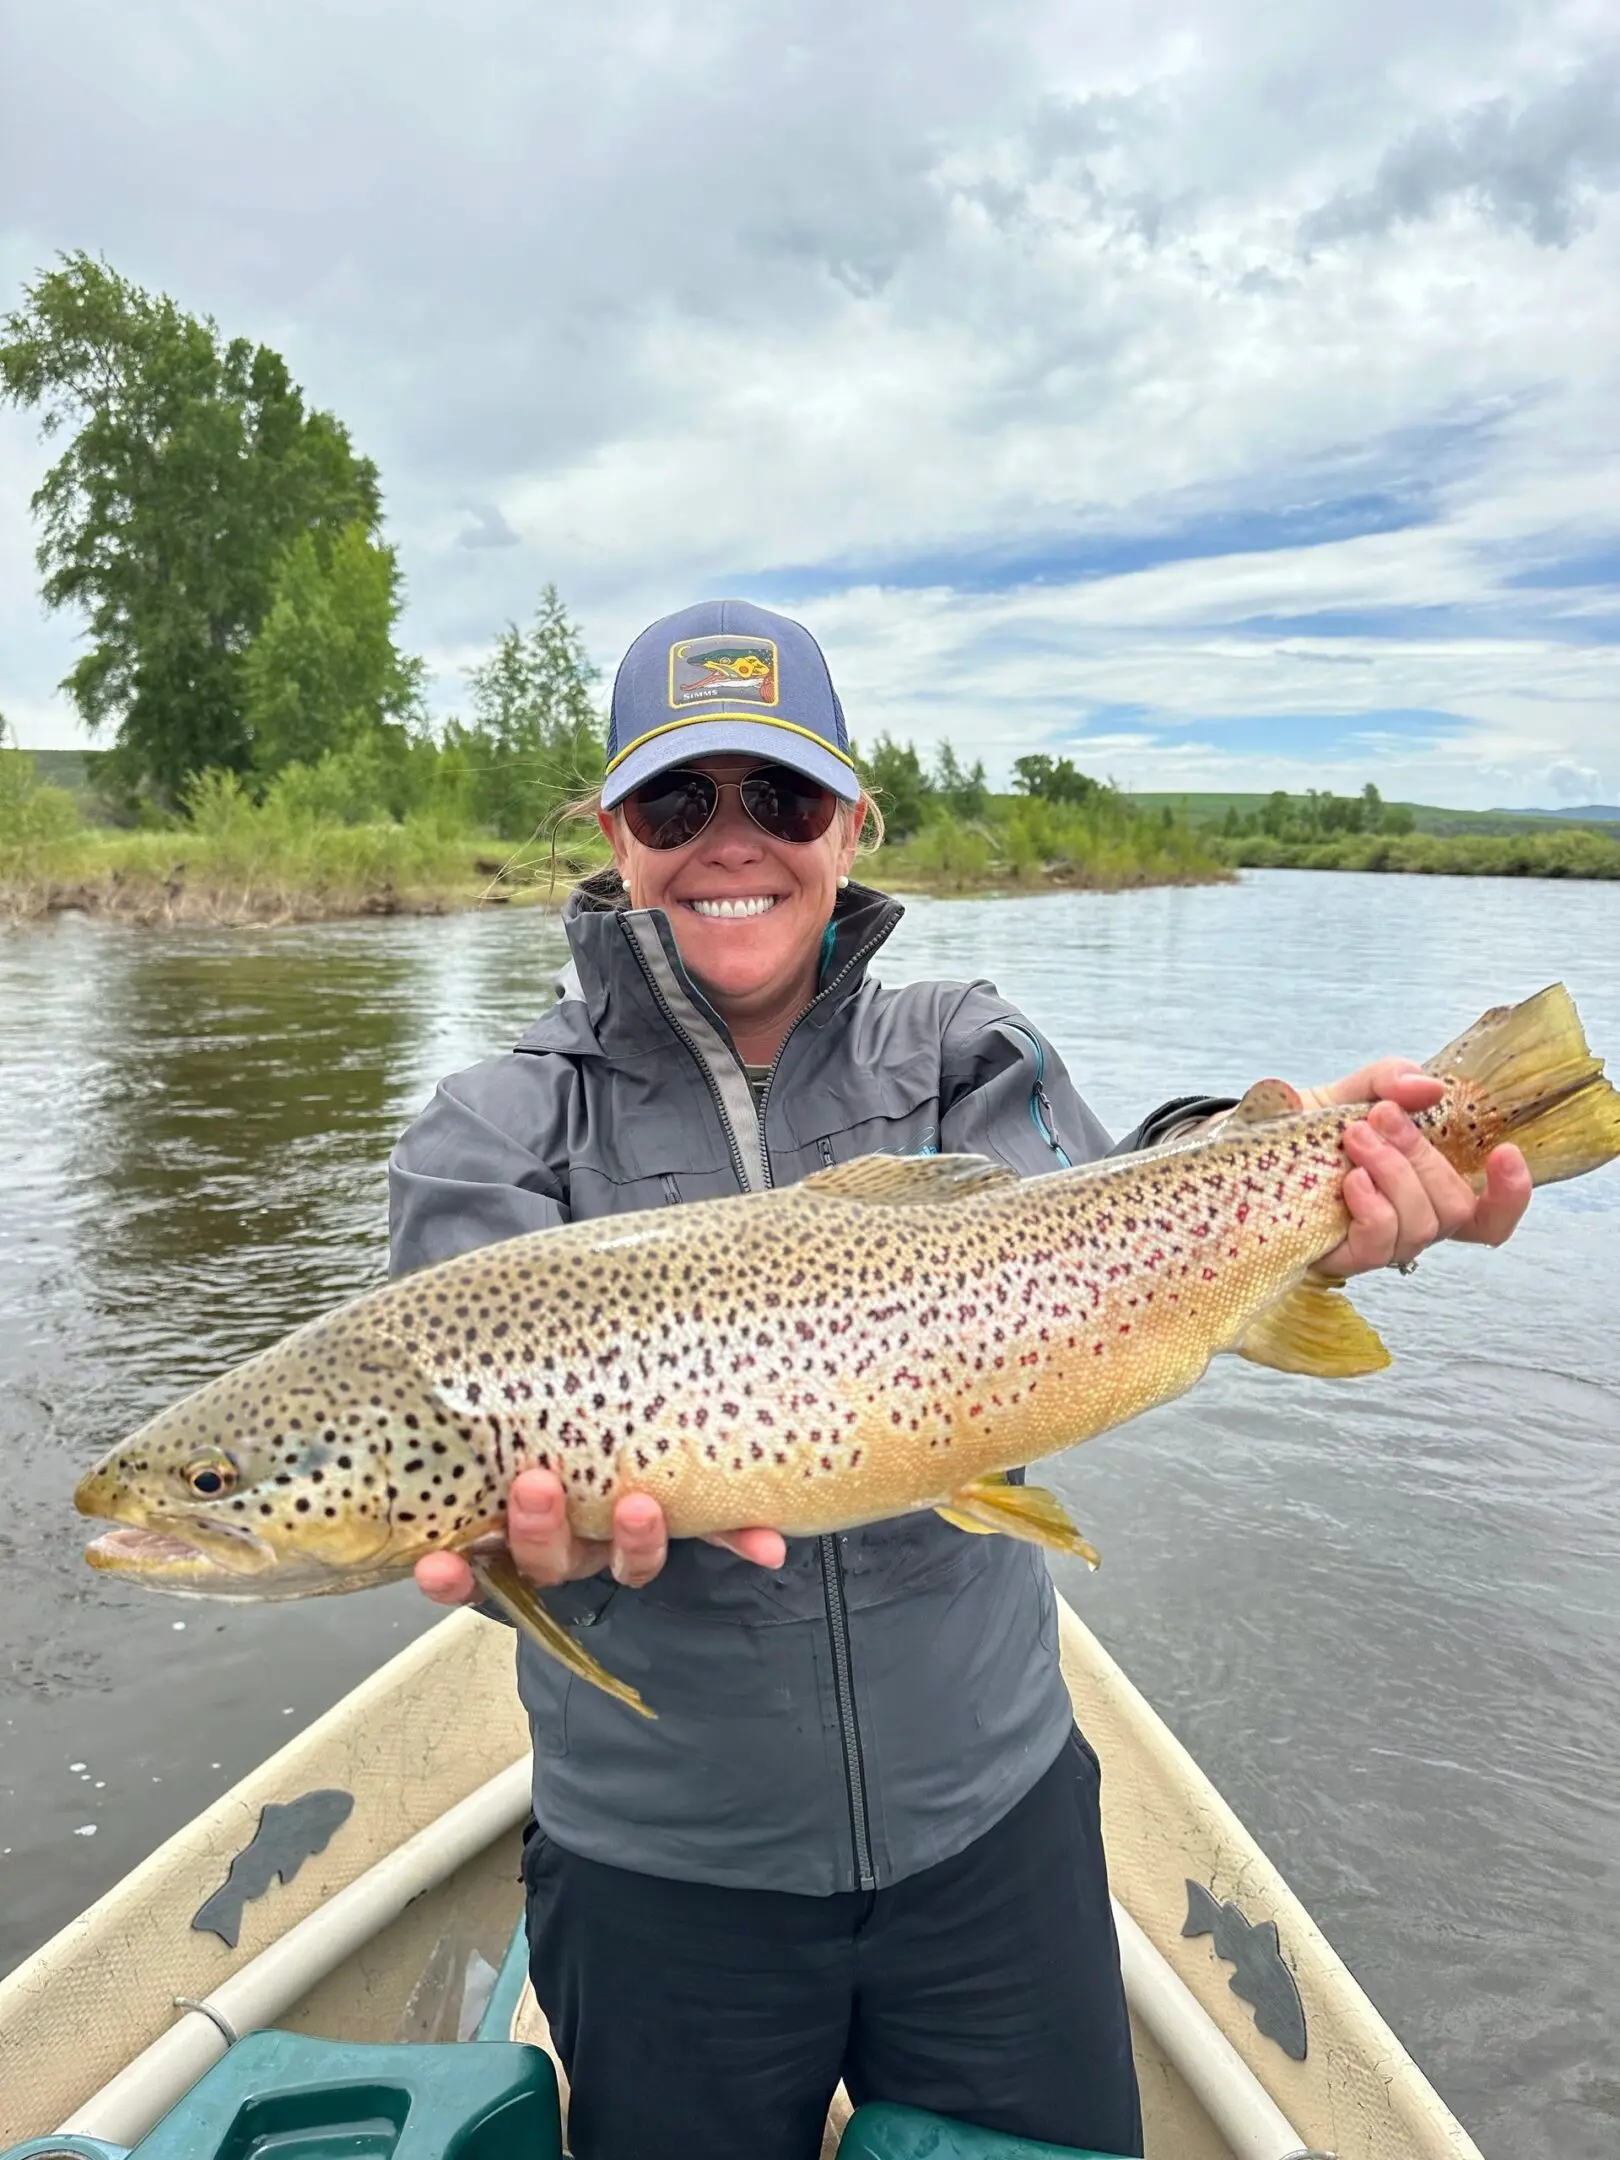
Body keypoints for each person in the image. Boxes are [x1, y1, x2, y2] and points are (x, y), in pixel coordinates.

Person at [388, 599, 1530, 2160]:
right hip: (663, 1884)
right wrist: (527, 1547)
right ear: (612, 833)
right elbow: (440, 1449)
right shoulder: (495, 1131)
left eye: (780, 799)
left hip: (996, 1838)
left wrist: (1308, 1166)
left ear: (851, 825)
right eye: (679, 801)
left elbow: (1105, 1200)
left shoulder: (961, 1045)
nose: (734, 844)